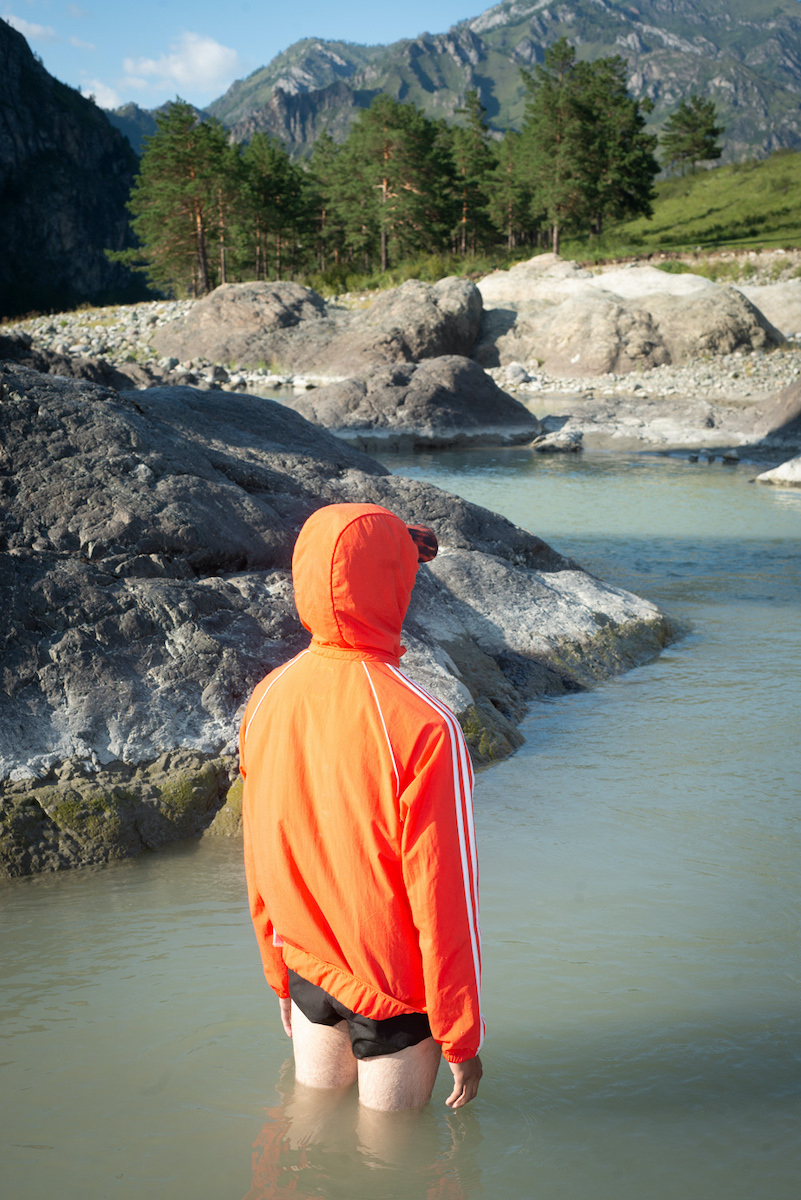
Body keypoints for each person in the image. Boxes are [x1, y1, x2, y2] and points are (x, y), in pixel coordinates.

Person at [240, 502, 484, 1112]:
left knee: (309, 1131)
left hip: (306, 965)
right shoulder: (427, 725)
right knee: (391, 1161)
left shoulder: (267, 698)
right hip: (394, 990)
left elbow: (261, 853)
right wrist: (461, 1036)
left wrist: (278, 971)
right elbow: (444, 897)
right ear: (394, 587)